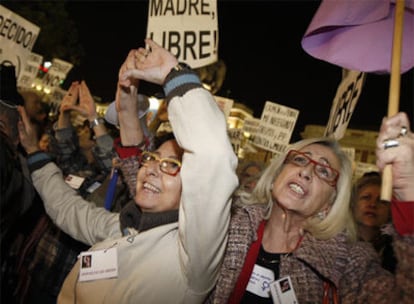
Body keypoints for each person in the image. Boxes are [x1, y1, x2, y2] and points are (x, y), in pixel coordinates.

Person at [17, 38, 238, 303]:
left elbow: (213, 156)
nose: (152, 169)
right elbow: (66, 207)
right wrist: (33, 152)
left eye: (171, 165)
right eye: (151, 158)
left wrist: (174, 74)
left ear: (194, 187)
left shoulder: (192, 258)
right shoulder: (122, 227)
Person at [207, 112, 414, 303]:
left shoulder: (350, 263)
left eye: (324, 171)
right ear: (275, 176)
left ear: (330, 202)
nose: (306, 172)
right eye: (299, 159)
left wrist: (408, 189)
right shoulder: (224, 225)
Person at [351, 171, 397, 273]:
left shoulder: (397, 253)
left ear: (390, 212)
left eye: (381, 201)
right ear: (353, 204)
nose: (372, 205)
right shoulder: (335, 244)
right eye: (366, 197)